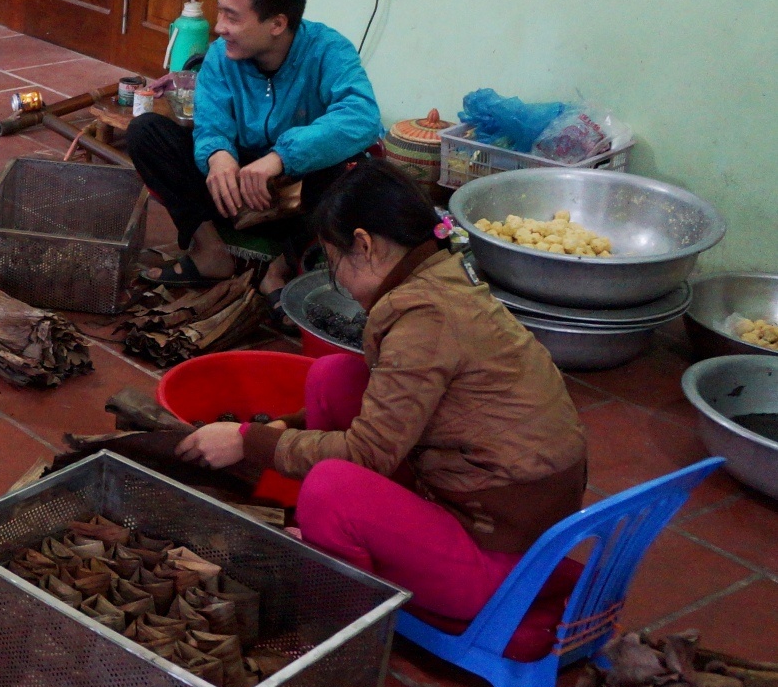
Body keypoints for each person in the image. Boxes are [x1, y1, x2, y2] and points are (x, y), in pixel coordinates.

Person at [177, 161, 588, 633]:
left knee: (329, 490)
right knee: (334, 376)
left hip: (500, 566)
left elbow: (366, 453)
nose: (338, 279)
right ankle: (340, 536)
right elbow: (390, 406)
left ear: (365, 245)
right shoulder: (443, 276)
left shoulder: (423, 317)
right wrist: (283, 427)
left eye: (333, 261)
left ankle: (348, 605)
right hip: (510, 519)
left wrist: (247, 441)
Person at [128, 0, 381, 294]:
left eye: (231, 17)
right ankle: (210, 251)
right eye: (220, 12)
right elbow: (211, 124)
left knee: (355, 169)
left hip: (299, 195)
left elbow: (362, 116)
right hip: (232, 193)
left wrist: (281, 158)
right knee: (146, 132)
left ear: (276, 24)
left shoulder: (328, 50)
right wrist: (218, 156)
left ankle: (283, 267)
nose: (219, 27)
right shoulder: (220, 56)